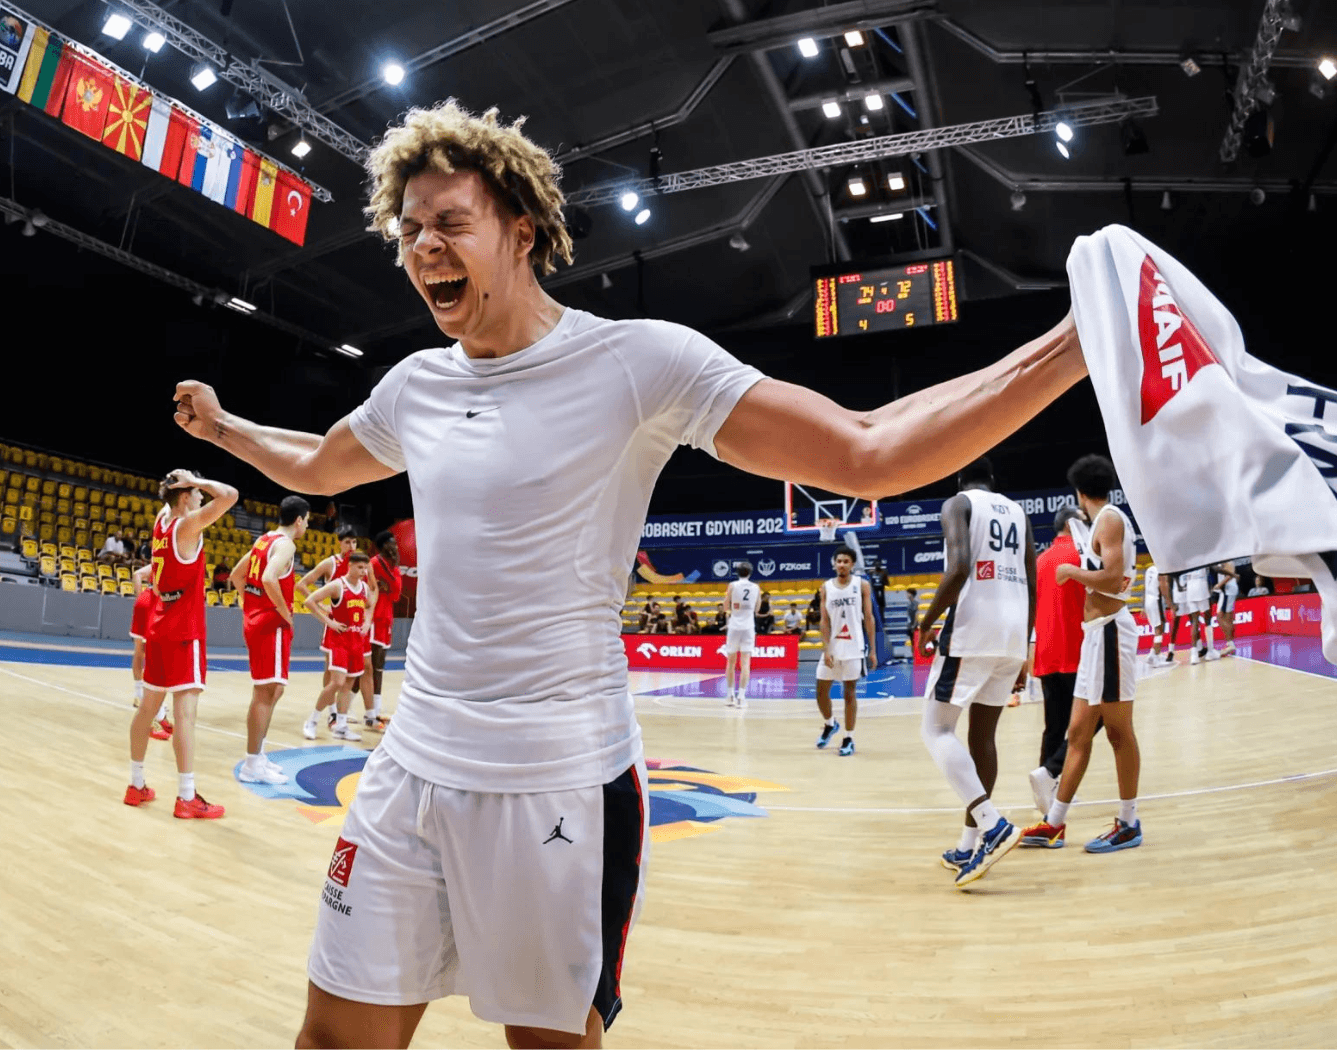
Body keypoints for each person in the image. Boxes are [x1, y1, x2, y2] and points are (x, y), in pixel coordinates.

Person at [171, 99, 1085, 1047]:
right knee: (328, 1039)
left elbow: (866, 449)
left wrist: (1075, 345)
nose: (424, 247)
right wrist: (226, 428)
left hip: (558, 782)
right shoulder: (416, 385)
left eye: (450, 223)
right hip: (410, 765)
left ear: (521, 232)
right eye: (408, 231)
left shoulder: (638, 363)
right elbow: (322, 465)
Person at [915, 457, 1035, 888]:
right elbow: (1031, 581)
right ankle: (969, 845)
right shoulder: (1018, 512)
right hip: (1014, 632)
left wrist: (926, 622)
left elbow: (960, 567)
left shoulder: (958, 503)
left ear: (959, 477)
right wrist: (1025, 649)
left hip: (974, 629)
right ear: (993, 479)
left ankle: (993, 825)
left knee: (936, 730)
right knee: (982, 737)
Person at [1022, 455, 1144, 854]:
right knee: (1077, 734)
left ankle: (1128, 823)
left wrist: (1072, 572)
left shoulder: (1109, 519)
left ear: (1078, 491)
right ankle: (1054, 824)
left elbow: (1112, 577)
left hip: (1111, 632)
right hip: (1094, 637)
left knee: (1118, 732)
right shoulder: (1097, 524)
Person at [125, 469, 237, 819]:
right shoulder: (187, 527)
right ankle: (187, 796)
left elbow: (170, 499)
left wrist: (181, 482)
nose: (202, 497)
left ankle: (136, 784)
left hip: (159, 625)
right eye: (197, 493)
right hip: (184, 631)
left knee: (147, 710)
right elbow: (230, 495)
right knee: (186, 716)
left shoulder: (161, 522)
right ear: (186, 496)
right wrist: (198, 481)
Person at [230, 495, 310, 784]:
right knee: (265, 693)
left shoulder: (263, 540)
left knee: (274, 691)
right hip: (271, 625)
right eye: (307, 521)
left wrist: (252, 607)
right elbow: (268, 578)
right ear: (298, 520)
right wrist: (283, 611)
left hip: (258, 621)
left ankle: (259, 755)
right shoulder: (286, 544)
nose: (307, 526)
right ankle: (252, 764)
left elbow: (237, 576)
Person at [1024, 507, 1088, 815]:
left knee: (1054, 725)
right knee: (1093, 718)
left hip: (1047, 652)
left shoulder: (1040, 561)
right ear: (1072, 524)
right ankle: (1051, 771)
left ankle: (1047, 788)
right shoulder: (1083, 556)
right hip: (1077, 650)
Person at [302, 552, 377, 741]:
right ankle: (312, 721)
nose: (363, 571)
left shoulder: (364, 588)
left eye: (365, 568)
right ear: (350, 566)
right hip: (340, 641)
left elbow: (369, 605)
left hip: (356, 641)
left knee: (348, 685)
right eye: (360, 567)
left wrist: (367, 622)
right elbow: (309, 601)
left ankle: (341, 727)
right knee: (336, 682)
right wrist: (329, 622)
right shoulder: (337, 585)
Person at [813, 547, 876, 755]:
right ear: (834, 563)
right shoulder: (826, 587)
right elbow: (824, 620)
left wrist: (873, 650)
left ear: (852, 564)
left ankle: (848, 738)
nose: (841, 564)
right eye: (838, 561)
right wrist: (826, 649)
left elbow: (869, 617)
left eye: (845, 561)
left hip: (854, 647)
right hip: (833, 647)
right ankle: (830, 724)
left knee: (849, 693)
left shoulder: (862, 585)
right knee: (821, 691)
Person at [362, 530, 403, 728]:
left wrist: (388, 583)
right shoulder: (374, 563)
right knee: (367, 667)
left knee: (378, 667)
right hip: (373, 619)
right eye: (391, 543)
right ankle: (360, 712)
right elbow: (365, 588)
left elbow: (396, 594)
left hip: (386, 620)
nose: (395, 546)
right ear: (383, 545)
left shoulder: (394, 567)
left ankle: (373, 712)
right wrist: (377, 587)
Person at [127, 563, 171, 742]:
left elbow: (137, 574)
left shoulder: (158, 559)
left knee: (139, 651)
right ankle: (155, 714)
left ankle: (140, 696)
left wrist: (141, 597)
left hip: (145, 601)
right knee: (158, 658)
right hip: (158, 603)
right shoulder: (174, 560)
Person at [724, 563, 760, 708]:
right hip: (748, 627)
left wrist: (735, 608)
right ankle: (741, 697)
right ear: (750, 573)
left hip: (734, 626)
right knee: (745, 664)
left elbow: (725, 606)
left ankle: (730, 696)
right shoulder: (756, 587)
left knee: (731, 662)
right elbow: (757, 609)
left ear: (737, 573)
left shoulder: (732, 585)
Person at [1142, 560, 1172, 667]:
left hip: (1148, 600)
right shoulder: (1160, 570)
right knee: (1159, 628)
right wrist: (1170, 603)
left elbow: (1145, 587)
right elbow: (1163, 588)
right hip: (1155, 600)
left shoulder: (1149, 569)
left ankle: (1153, 654)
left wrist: (1143, 606)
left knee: (1158, 627)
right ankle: (1155, 657)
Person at [1212, 560, 1239, 658]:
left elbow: (1229, 575)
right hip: (1229, 589)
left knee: (1220, 617)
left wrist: (1219, 585)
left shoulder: (1227, 560)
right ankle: (1230, 644)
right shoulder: (1225, 559)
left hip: (1227, 589)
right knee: (1228, 617)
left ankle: (1230, 643)